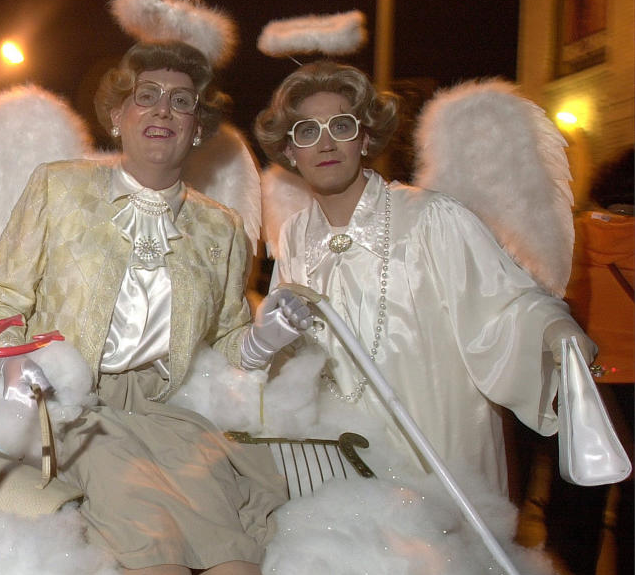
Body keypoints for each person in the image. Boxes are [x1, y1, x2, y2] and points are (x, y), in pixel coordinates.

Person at [0, 41, 318, 575]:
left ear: (197, 127)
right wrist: (14, 359)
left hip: (173, 421)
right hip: (80, 413)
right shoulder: (58, 187)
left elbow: (222, 348)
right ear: (119, 115)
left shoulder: (220, 231)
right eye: (146, 95)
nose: (162, 109)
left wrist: (266, 337)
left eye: (181, 100)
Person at [254, 60, 593, 495]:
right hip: (342, 467)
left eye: (341, 126)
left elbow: (504, 304)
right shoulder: (296, 236)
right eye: (307, 132)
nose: (325, 143)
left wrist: (553, 328)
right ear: (289, 151)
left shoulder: (431, 217)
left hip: (437, 457)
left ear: (365, 137)